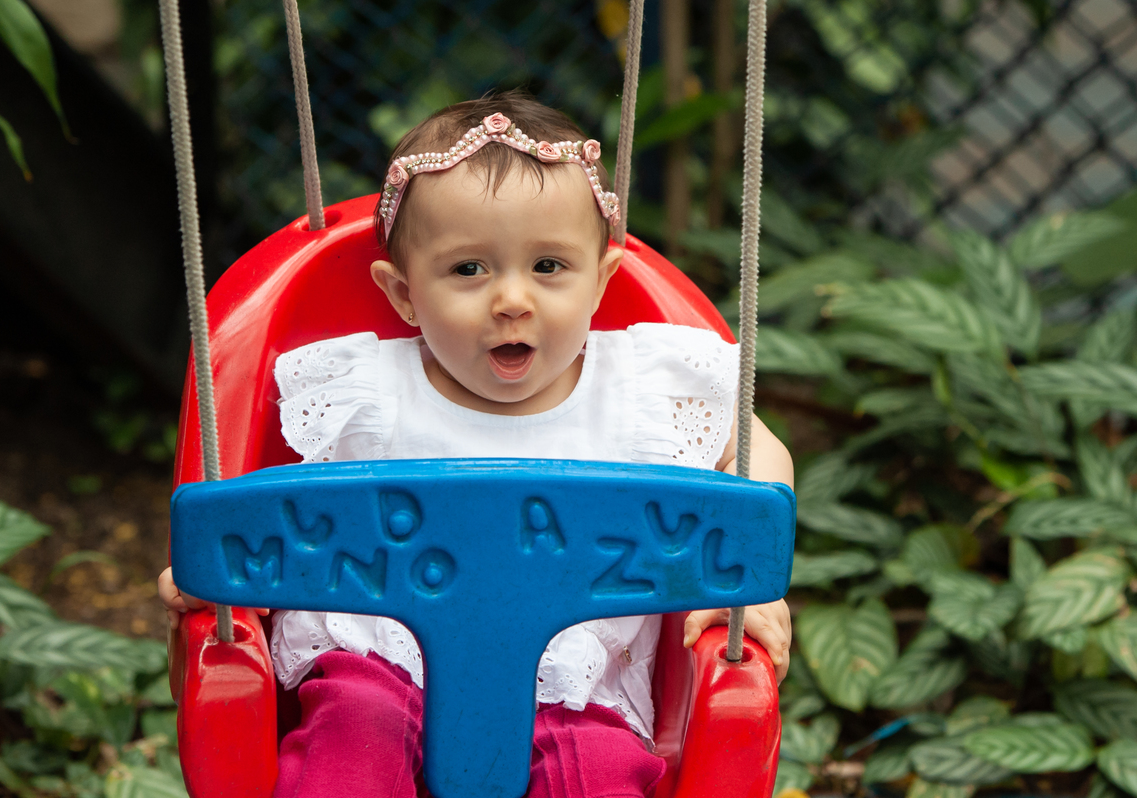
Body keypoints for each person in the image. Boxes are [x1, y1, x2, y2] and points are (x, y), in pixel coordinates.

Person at [158, 91, 793, 798]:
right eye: (469, 270)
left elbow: (756, 451)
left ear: (602, 281)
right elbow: (285, 519)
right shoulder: (364, 392)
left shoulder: (644, 387)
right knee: (350, 749)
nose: (512, 300)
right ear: (404, 295)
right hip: (378, 666)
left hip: (576, 689)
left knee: (600, 777)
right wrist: (218, 571)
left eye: (549, 266)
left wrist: (746, 575)